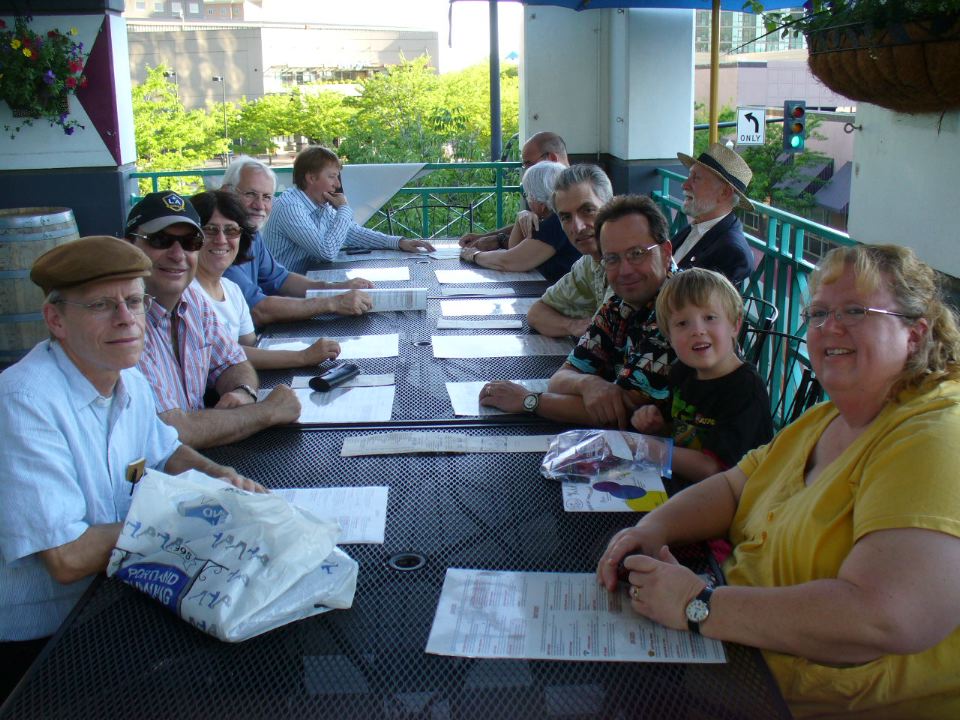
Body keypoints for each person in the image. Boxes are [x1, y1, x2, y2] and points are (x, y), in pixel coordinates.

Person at [597, 244, 960, 717]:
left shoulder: (937, 435)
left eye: (855, 310)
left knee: (607, 677)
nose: (830, 327)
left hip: (800, 697)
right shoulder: (829, 417)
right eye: (819, 313)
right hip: (730, 641)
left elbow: (886, 617)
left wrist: (697, 604)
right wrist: (651, 529)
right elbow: (734, 487)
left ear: (915, 333)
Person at [0, 236, 264, 701]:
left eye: (135, 301)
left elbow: (166, 453)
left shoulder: (128, 377)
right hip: (42, 643)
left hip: (114, 596)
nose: (126, 318)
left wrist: (219, 476)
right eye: (102, 305)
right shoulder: (24, 402)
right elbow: (68, 558)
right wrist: (194, 511)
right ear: (55, 319)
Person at [126, 191, 301, 449]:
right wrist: (267, 411)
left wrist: (242, 391)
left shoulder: (192, 301)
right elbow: (172, 431)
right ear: (129, 246)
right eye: (160, 240)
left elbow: (232, 361)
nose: (177, 254)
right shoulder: (125, 322)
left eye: (190, 241)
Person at [481, 195, 675, 428]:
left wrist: (528, 401)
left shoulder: (679, 311)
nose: (624, 270)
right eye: (612, 258)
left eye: (637, 253)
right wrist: (587, 384)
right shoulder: (619, 304)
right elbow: (560, 379)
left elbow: (623, 411)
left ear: (666, 252)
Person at [631, 268, 773, 484]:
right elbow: (680, 432)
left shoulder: (746, 389)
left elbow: (714, 470)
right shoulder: (682, 371)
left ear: (735, 325)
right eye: (682, 323)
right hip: (680, 486)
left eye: (710, 318)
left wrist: (653, 449)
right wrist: (658, 426)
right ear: (669, 337)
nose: (697, 330)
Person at [190, 190, 341, 370]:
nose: (221, 240)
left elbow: (252, 349)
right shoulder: (187, 296)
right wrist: (303, 356)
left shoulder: (231, 289)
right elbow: (226, 353)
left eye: (231, 230)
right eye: (210, 230)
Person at [220, 155, 376, 325]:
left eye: (266, 197)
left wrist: (337, 288)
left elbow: (281, 279)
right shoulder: (219, 243)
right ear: (227, 192)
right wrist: (332, 302)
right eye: (250, 194)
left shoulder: (250, 233)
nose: (259, 205)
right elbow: (258, 310)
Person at [263, 145, 434, 273]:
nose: (337, 184)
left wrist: (398, 242)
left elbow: (352, 233)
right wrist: (343, 208)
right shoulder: (291, 207)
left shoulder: (318, 202)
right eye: (332, 177)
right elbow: (326, 252)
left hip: (304, 281)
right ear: (311, 178)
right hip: (278, 293)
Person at [526, 164, 615, 338]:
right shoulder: (589, 263)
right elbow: (536, 314)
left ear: (611, 208)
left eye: (588, 210)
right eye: (566, 217)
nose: (578, 227)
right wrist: (573, 326)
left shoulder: (629, 264)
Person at [459, 161, 579, 283]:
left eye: (526, 194)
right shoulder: (552, 218)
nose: (527, 199)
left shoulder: (556, 222)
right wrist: (520, 218)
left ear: (538, 199)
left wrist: (474, 255)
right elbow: (515, 248)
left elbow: (508, 261)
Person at [459, 131, 570, 250]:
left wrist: (491, 245)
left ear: (552, 158)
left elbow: (515, 257)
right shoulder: (555, 188)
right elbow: (532, 227)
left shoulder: (569, 196)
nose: (526, 170)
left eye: (528, 163)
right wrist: (484, 237)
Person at [672, 143, 755, 286]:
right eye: (689, 176)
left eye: (696, 178)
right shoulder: (698, 225)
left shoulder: (732, 252)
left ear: (724, 193)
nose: (684, 185)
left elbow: (692, 298)